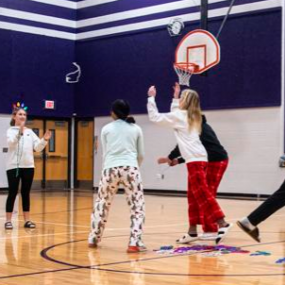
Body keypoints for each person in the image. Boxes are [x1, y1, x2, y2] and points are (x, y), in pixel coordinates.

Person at [147, 84, 232, 244]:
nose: (179, 100)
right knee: (193, 197)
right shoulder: (191, 116)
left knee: (202, 193)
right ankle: (192, 232)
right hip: (199, 159)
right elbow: (175, 115)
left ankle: (222, 223)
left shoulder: (181, 116)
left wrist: (151, 98)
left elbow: (155, 118)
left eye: (181, 98)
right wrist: (175, 96)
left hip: (196, 160)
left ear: (185, 102)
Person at [88, 99, 146, 253]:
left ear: (113, 112)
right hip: (131, 168)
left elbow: (105, 153)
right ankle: (134, 242)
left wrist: (106, 170)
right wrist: (133, 168)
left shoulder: (106, 129)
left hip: (109, 169)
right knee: (137, 207)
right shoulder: (136, 129)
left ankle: (94, 238)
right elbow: (141, 154)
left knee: (102, 203)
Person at [5, 104, 51, 230]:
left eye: (24, 114)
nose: (22, 116)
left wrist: (45, 140)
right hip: (13, 167)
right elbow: (11, 143)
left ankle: (27, 220)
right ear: (14, 116)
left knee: (26, 193)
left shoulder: (30, 132)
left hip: (28, 167)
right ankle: (8, 221)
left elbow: (37, 148)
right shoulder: (10, 131)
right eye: (20, 114)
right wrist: (19, 131)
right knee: (13, 193)